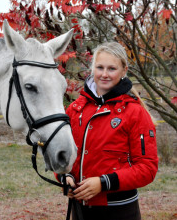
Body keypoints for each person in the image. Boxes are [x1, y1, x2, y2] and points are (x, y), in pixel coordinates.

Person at [56, 42, 158, 220]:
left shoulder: (135, 112)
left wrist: (104, 183)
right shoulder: (74, 109)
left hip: (120, 211)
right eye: (100, 67)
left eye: (111, 69)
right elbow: (62, 155)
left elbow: (147, 168)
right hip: (80, 210)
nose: (104, 74)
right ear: (92, 68)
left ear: (124, 70)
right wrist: (64, 178)